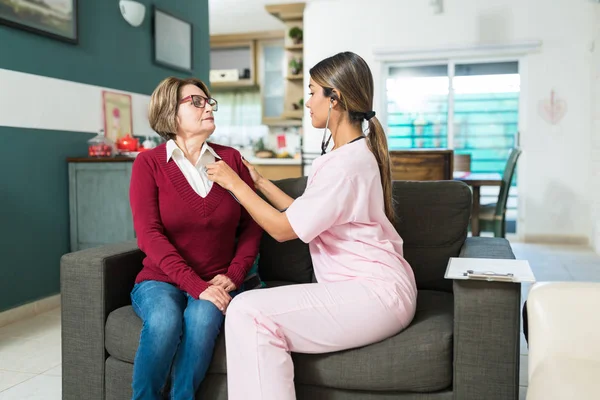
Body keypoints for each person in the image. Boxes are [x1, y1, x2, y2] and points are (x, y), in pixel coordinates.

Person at [206, 51, 418, 400]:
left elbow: (282, 229)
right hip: (380, 288)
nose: (307, 102)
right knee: (250, 312)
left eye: (312, 91)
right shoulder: (349, 155)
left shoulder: (345, 165)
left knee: (247, 311)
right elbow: (302, 213)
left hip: (375, 294)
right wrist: (258, 181)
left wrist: (234, 183)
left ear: (334, 99)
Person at [128, 77, 262, 400]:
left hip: (218, 281)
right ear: (171, 114)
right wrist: (195, 285)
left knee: (202, 321)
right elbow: (149, 235)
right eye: (197, 102)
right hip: (160, 280)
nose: (208, 108)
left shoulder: (231, 161)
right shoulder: (148, 164)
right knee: (164, 321)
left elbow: (252, 226)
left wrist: (234, 275)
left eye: (209, 102)